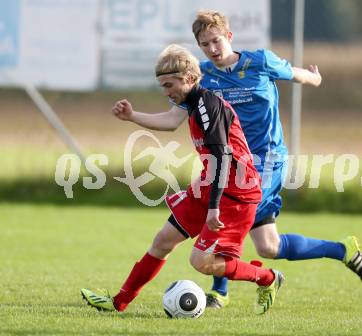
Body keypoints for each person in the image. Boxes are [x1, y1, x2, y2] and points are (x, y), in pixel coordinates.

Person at [81, 44, 284, 315]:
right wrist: (131, 116)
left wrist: (213, 208)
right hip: (211, 183)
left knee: (201, 261)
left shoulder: (207, 106)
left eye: (169, 85)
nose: (166, 92)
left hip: (235, 194)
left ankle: (268, 279)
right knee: (163, 240)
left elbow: (222, 158)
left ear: (189, 78)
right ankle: (118, 303)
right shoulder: (192, 103)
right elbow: (169, 121)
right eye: (162, 86)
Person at [187, 10, 362, 308]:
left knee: (229, 212)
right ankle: (343, 250)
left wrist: (314, 78)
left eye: (216, 40)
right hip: (233, 165)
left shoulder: (260, 61)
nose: (212, 48)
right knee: (269, 246)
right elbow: (178, 110)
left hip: (267, 160)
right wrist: (134, 116)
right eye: (205, 44)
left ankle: (219, 291)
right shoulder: (204, 76)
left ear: (229, 37)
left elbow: (293, 73)